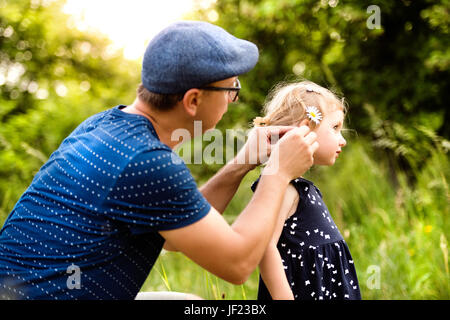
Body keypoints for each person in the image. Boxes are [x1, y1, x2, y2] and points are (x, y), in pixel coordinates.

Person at [0, 21, 318, 300]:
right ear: (193, 100)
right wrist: (278, 173)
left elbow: (174, 237)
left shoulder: (102, 125)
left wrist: (241, 163)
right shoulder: (148, 163)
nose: (233, 99)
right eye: (230, 89)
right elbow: (237, 265)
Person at [251, 81, 361, 300]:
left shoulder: (301, 187)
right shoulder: (284, 187)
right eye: (335, 128)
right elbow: (265, 248)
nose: (343, 140)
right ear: (305, 129)